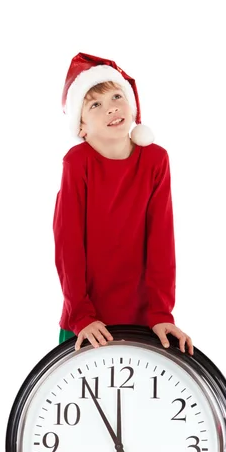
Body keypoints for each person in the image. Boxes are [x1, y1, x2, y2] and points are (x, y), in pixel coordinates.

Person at [53, 52, 193, 356]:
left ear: (132, 105)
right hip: (88, 317)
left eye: (117, 95)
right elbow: (69, 245)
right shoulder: (77, 163)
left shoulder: (156, 160)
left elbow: (161, 242)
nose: (111, 108)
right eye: (95, 105)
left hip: (142, 314)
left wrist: (160, 313)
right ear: (81, 127)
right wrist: (81, 315)